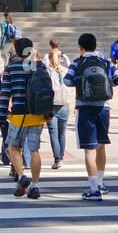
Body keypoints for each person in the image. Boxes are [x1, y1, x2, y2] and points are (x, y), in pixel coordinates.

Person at [63, 33, 118, 200]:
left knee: (89, 149)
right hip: (104, 108)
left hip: (85, 108)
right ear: (95, 46)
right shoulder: (105, 62)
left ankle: (94, 188)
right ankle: (102, 182)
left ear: (80, 47)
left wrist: (80, 80)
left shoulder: (77, 62)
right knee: (101, 146)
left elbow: (67, 81)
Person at [1, 37, 51, 199]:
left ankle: (22, 177)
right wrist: (48, 112)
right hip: (37, 113)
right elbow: (48, 90)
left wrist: (1, 115)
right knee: (34, 150)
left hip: (18, 114)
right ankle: (35, 186)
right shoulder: (39, 66)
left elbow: (5, 94)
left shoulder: (11, 68)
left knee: (13, 147)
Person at [46, 38, 71, 169]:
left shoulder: (48, 72)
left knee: (53, 132)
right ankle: (61, 156)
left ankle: (57, 158)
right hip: (65, 104)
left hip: (52, 105)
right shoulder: (65, 71)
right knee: (62, 133)